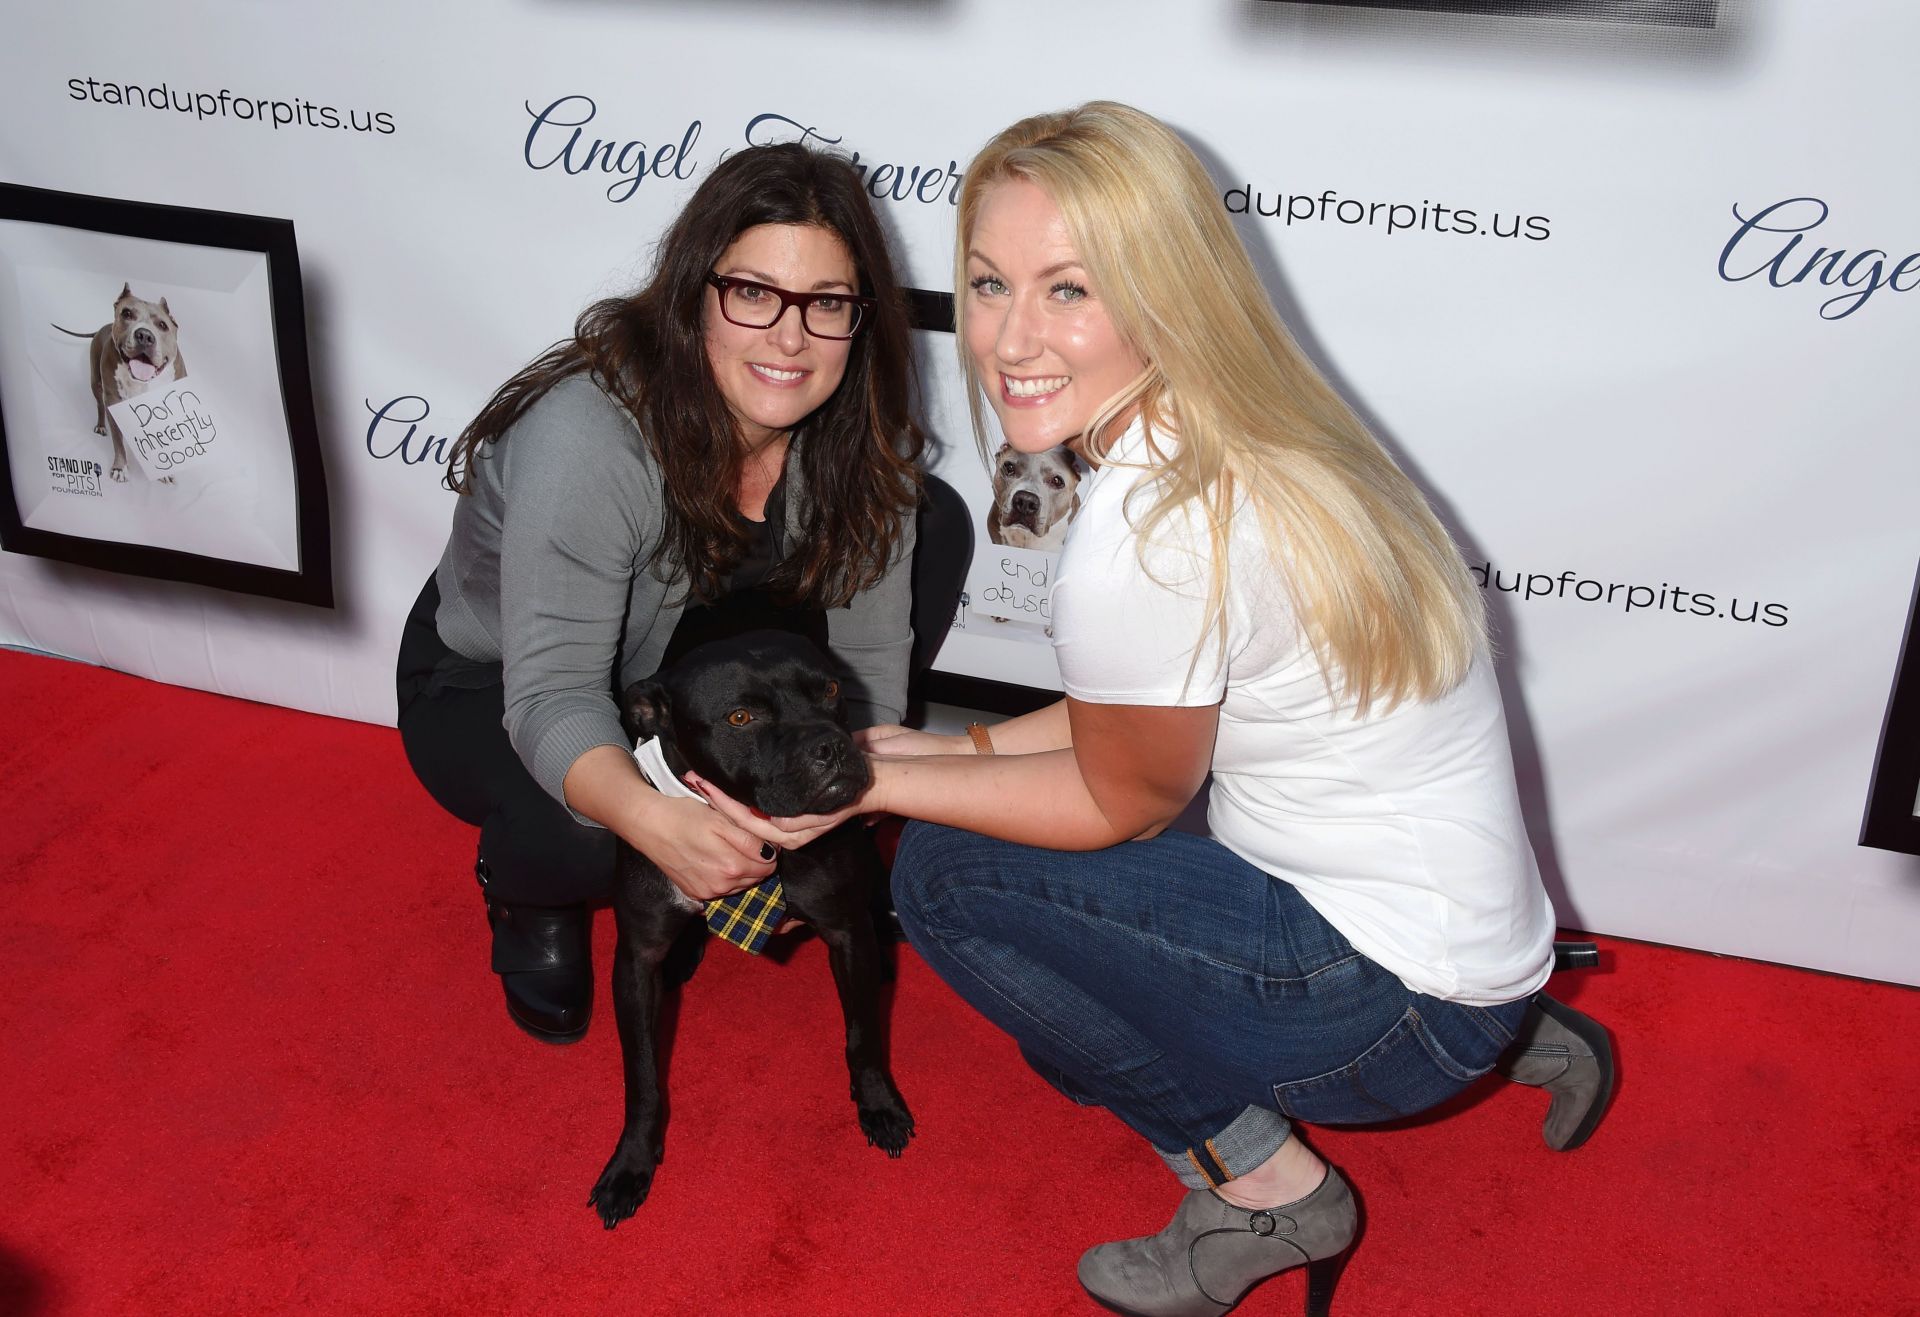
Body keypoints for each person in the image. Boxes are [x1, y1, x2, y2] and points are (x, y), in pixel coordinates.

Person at [700, 104, 1615, 1317]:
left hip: (1390, 1009)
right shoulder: (1258, 430)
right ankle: (1511, 1037)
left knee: (945, 880)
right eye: (990, 282)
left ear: (1167, 292)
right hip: (1466, 942)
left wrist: (869, 784)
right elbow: (1142, 713)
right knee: (997, 843)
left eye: (1070, 290)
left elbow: (1117, 799)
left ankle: (1261, 1191)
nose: (1010, 339)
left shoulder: (1152, 533)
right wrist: (952, 748)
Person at [395, 143, 927, 1044]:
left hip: (690, 647)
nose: (790, 339)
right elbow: (554, 693)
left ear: (861, 316)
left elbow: (867, 666)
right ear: (693, 295)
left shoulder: (863, 438)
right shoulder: (588, 441)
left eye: (827, 303)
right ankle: (531, 892)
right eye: (753, 293)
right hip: (499, 674)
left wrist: (838, 799)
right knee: (587, 831)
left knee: (932, 532)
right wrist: (655, 819)